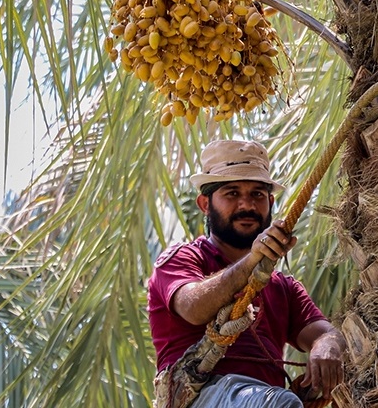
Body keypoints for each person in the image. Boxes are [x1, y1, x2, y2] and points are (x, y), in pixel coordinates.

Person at [148, 139, 345, 408]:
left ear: (270, 201)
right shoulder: (183, 259)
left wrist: (327, 345)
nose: (247, 205)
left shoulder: (284, 287)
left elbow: (324, 332)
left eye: (257, 195)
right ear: (205, 204)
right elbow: (192, 307)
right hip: (201, 395)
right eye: (231, 193)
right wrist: (253, 260)